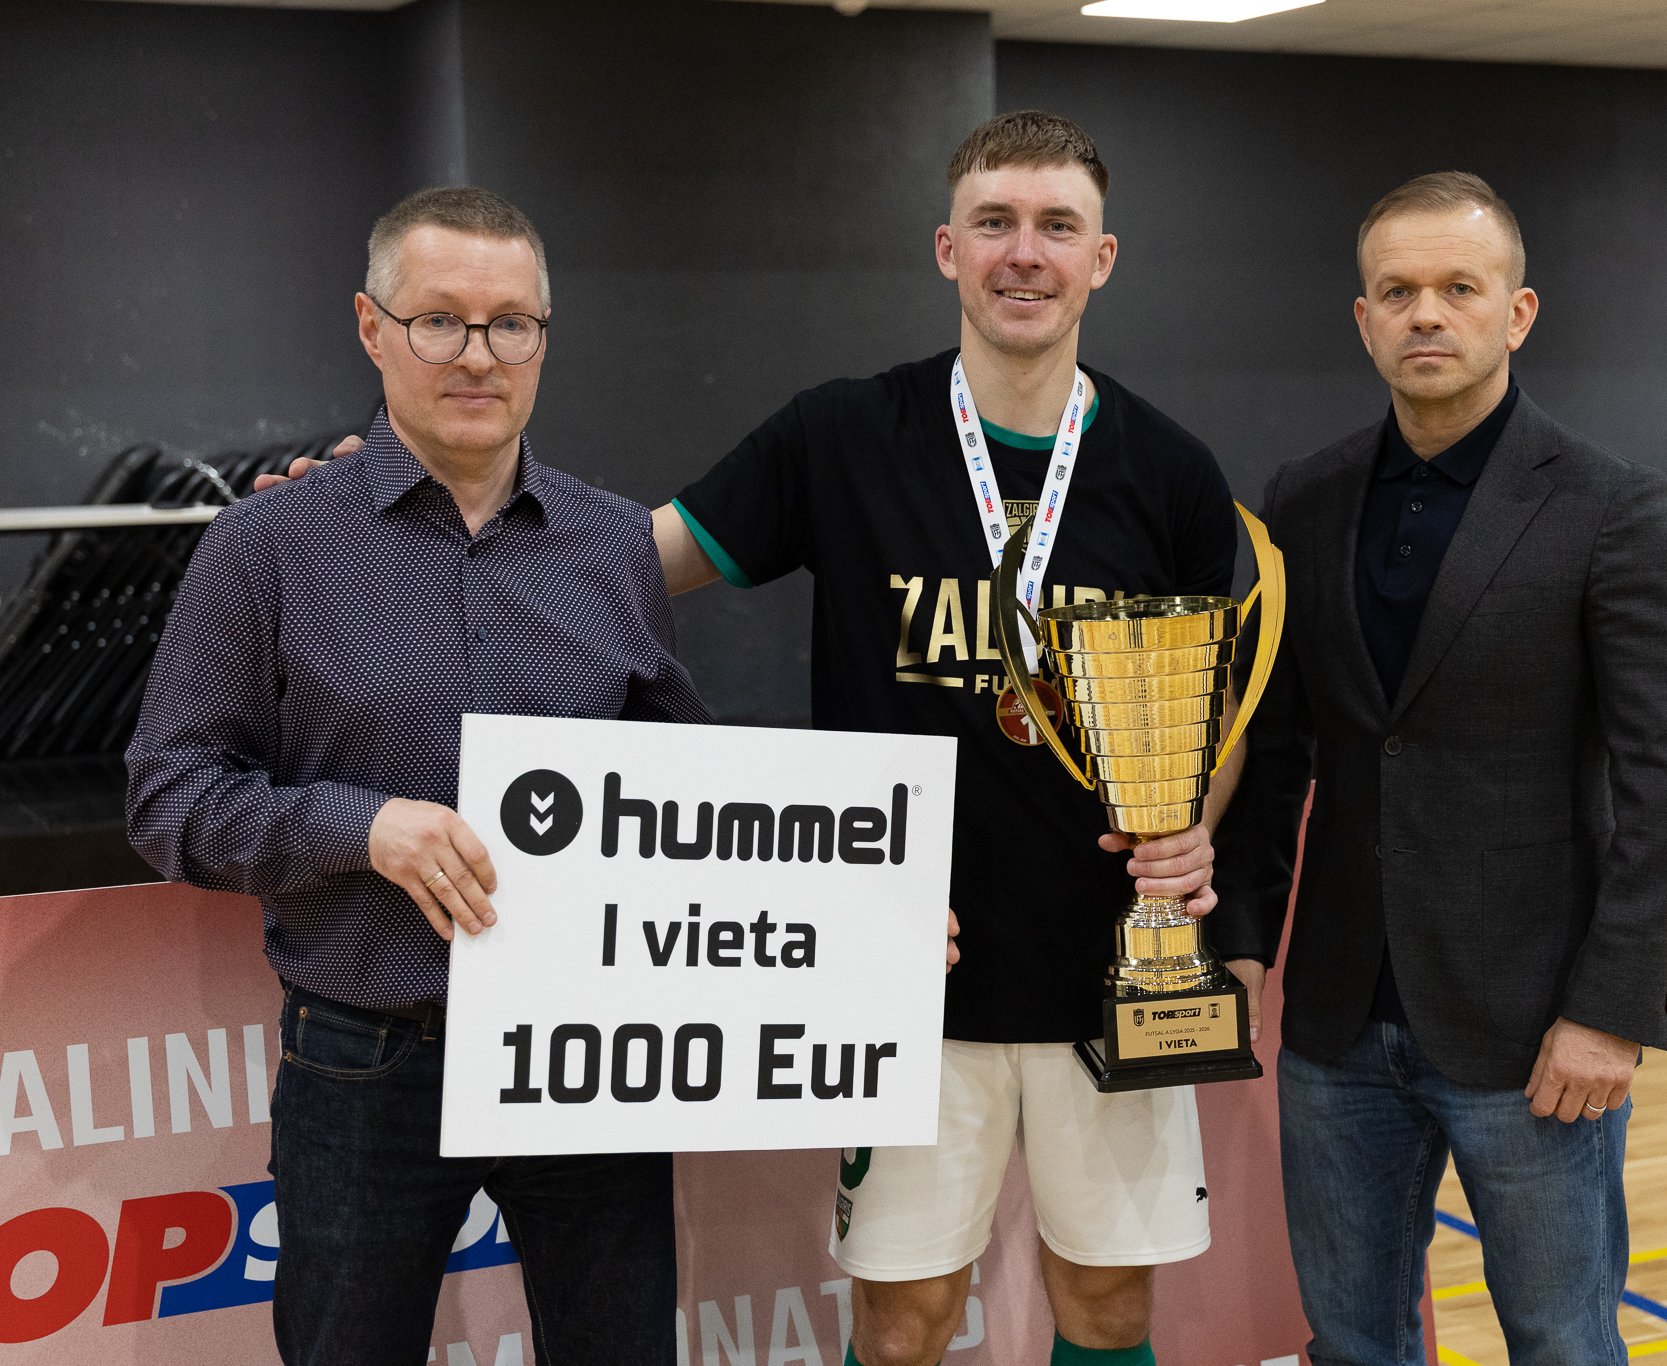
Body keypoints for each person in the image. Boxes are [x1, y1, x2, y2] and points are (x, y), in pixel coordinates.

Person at [273, 113, 1241, 1366]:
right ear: (946, 247)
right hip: (903, 972)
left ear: (1100, 258)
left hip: (1110, 963)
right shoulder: (842, 435)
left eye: (1057, 226)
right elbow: (614, 563)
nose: (1024, 253)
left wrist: (1194, 826)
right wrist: (379, 508)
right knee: (903, 1321)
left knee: (1109, 1304)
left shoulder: (1170, 471)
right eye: (994, 222)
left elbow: (1216, 708)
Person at [126, 187, 711, 1366]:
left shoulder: (612, 544)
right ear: (372, 327)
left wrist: (865, 910)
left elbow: (692, 797)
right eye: (440, 320)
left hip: (586, 1057)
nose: (478, 355)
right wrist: (363, 827)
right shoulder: (265, 547)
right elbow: (169, 798)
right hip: (366, 1057)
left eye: (511, 324)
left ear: (543, 336)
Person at [1210, 172, 1667, 1365]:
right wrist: (1239, 936)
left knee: (1560, 1342)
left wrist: (1611, 1009)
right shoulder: (1302, 500)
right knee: (1352, 1342)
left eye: (1457, 287)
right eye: (1396, 292)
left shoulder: (1613, 508)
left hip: (1534, 1030)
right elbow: (1274, 750)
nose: (1425, 314)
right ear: (1362, 319)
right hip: (1335, 1022)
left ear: (1516, 312)